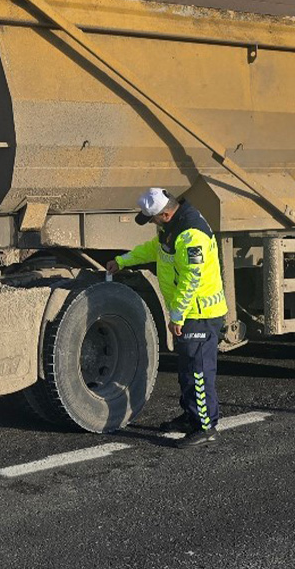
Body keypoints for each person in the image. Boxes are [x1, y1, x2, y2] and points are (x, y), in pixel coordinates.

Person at [105, 187, 229, 447]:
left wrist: (177, 316)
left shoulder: (191, 234)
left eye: (152, 218)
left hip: (200, 313)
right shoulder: (171, 228)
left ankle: (206, 427)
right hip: (190, 312)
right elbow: (155, 250)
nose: (151, 223)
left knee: (199, 371)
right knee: (186, 370)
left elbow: (191, 278)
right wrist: (123, 261)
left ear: (165, 214)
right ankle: (191, 417)